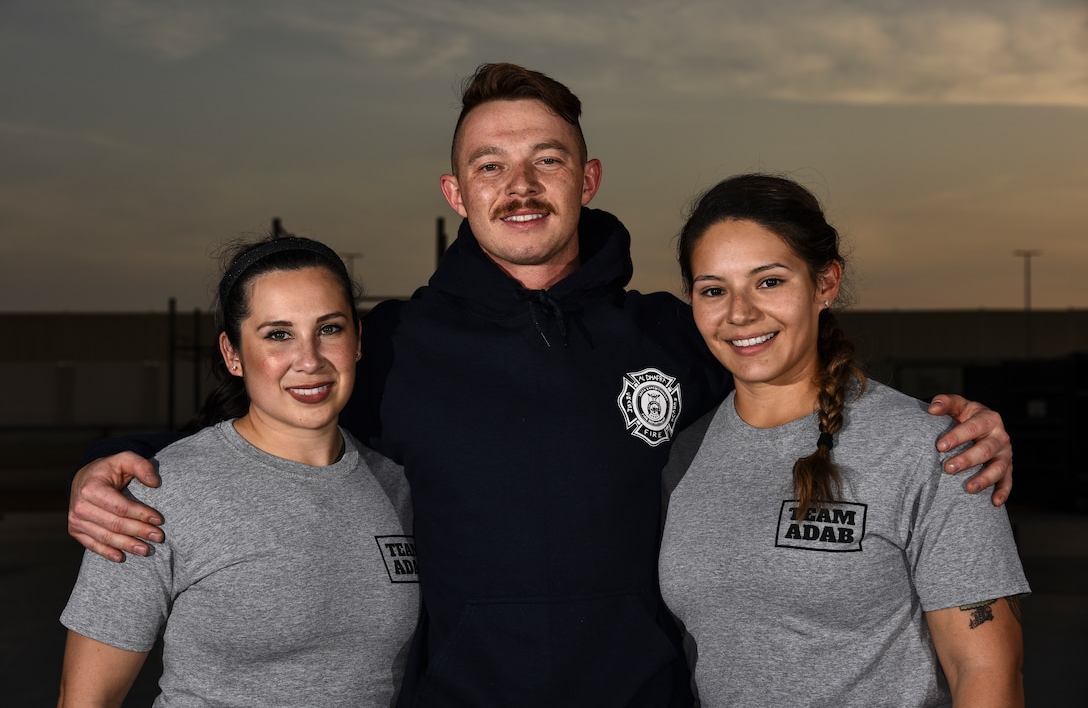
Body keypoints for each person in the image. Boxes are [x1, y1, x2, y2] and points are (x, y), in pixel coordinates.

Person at [67, 64, 1015, 707]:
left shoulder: (671, 332)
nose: (520, 185)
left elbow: (790, 374)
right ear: (456, 193)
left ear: (587, 178)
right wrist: (110, 472)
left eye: (546, 160)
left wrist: (954, 430)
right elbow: (263, 419)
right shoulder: (391, 343)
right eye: (491, 166)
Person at [659, 174, 1029, 707]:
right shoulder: (685, 451)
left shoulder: (933, 450)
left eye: (769, 281)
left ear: (825, 284)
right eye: (713, 290)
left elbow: (987, 673)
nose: (739, 313)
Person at [58, 237, 418, 707]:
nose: (309, 361)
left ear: (357, 343)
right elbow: (87, 700)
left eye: (329, 329)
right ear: (232, 353)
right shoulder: (158, 494)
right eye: (278, 334)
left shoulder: (395, 488)